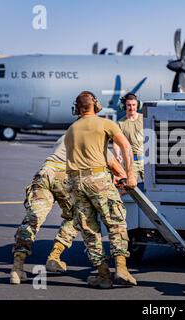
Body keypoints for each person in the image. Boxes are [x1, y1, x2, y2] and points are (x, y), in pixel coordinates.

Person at [9, 135, 127, 285]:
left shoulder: (66, 135)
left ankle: (17, 268)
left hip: (45, 174)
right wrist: (123, 177)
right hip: (65, 175)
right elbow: (112, 164)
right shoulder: (94, 137)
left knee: (32, 220)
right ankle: (54, 256)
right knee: (75, 218)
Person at [65, 91, 137, 289]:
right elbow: (126, 147)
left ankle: (103, 275)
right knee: (115, 222)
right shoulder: (106, 124)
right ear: (95, 106)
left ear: (77, 109)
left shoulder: (71, 129)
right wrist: (129, 175)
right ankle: (121, 268)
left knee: (89, 230)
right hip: (98, 179)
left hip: (75, 183)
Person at [114, 93, 144, 182]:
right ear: (124, 106)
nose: (132, 107)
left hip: (147, 161)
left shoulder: (144, 119)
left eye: (134, 105)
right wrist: (117, 154)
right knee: (129, 188)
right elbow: (116, 142)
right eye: (129, 105)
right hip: (131, 162)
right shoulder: (120, 123)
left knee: (153, 188)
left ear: (138, 105)